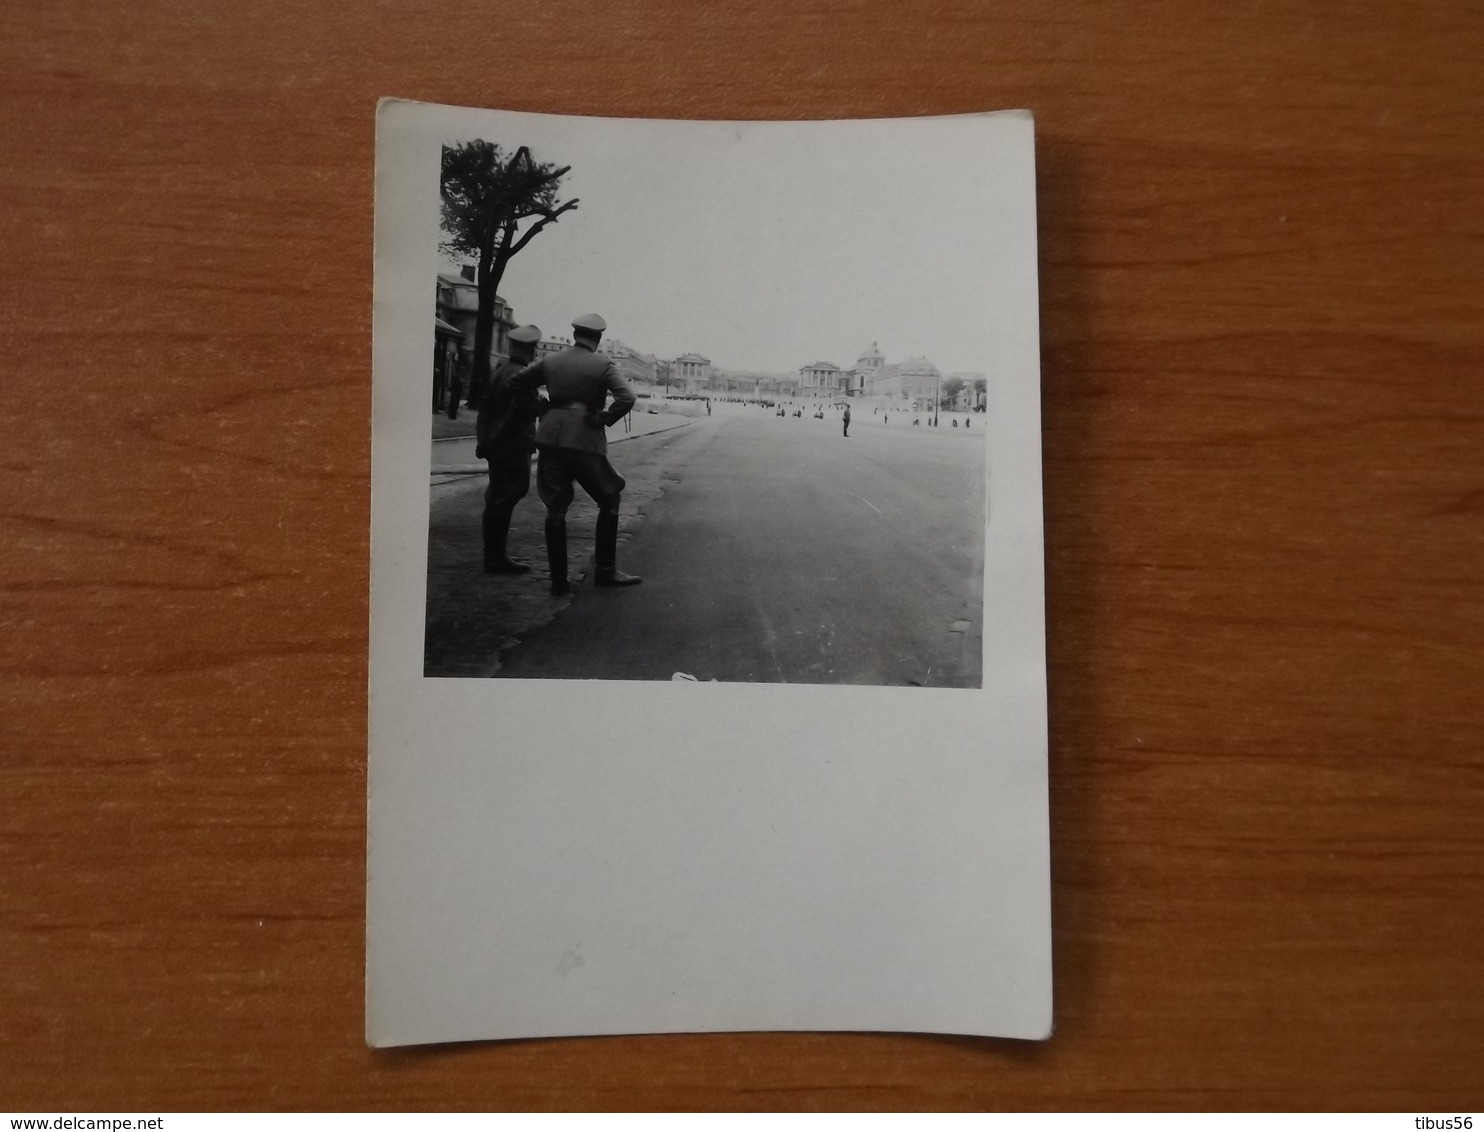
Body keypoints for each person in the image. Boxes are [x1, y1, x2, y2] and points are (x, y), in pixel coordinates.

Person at [506, 314, 640, 595]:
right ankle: (605, 571)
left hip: (551, 438)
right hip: (584, 441)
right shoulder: (603, 364)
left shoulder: (551, 361)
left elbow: (515, 382)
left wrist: (542, 407)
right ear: (598, 338)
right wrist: (604, 418)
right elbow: (627, 397)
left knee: (555, 508)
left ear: (575, 333)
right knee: (609, 497)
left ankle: (558, 581)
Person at [475, 325, 544, 574]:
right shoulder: (523, 377)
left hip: (495, 444)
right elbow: (516, 415)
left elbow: (485, 410)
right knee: (507, 497)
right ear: (531, 349)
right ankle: (497, 558)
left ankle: (491, 556)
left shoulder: (500, 371)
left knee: (494, 497)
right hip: (512, 446)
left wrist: (483, 441)